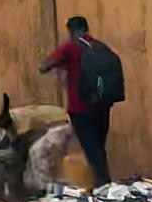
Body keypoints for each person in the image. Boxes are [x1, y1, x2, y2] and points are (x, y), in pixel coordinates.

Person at [40, 16, 113, 187]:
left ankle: (103, 183)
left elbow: (45, 65)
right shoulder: (100, 47)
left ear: (71, 31)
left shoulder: (70, 47)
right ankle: (103, 181)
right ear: (86, 28)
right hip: (102, 105)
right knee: (99, 146)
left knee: (91, 148)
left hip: (80, 108)